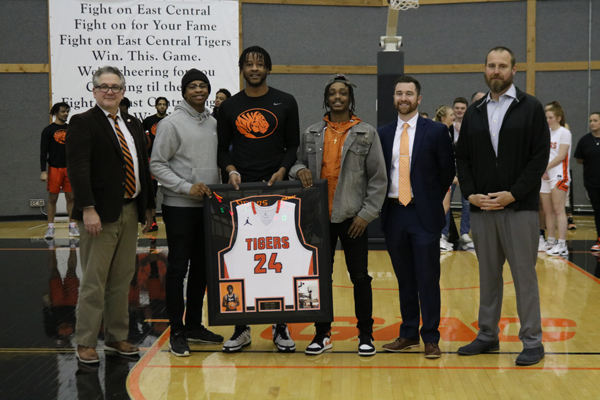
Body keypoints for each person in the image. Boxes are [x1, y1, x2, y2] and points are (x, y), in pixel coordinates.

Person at [455, 47, 549, 366]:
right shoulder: (474, 111)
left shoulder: (531, 107)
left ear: (513, 70)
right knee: (488, 276)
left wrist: (514, 193)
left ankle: (532, 341)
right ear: (485, 69)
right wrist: (470, 194)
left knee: (524, 277)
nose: (496, 71)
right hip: (482, 209)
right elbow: (463, 158)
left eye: (502, 66)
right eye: (491, 65)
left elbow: (539, 157)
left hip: (519, 209)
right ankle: (487, 335)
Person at [290, 74, 387, 356]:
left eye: (342, 93)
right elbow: (296, 162)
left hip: (353, 219)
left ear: (350, 98)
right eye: (332, 93)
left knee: (360, 277)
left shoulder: (366, 133)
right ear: (326, 98)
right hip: (319, 219)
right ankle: (322, 334)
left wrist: (366, 215)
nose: (337, 97)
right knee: (321, 278)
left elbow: (378, 179)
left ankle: (365, 335)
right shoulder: (311, 133)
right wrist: (299, 170)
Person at [66, 66, 155, 364]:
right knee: (94, 281)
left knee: (122, 279)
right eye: (103, 86)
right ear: (94, 91)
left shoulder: (132, 122)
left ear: (123, 91)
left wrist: (147, 206)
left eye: (115, 87)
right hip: (99, 214)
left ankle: (117, 337)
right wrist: (87, 208)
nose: (109, 91)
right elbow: (78, 169)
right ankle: (86, 341)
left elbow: (141, 165)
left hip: (129, 210)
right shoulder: (83, 122)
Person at [217, 45, 299, 353]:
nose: (254, 68)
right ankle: (242, 328)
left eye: (260, 63)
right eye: (249, 64)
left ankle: (280, 325)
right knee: (241, 260)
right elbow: (222, 149)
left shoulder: (286, 101)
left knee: (278, 259)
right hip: (241, 191)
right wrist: (231, 170)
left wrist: (282, 171)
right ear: (241, 69)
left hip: (278, 190)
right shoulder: (229, 106)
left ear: (268, 69)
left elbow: (293, 145)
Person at [378, 75, 455, 359]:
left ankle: (431, 337)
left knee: (427, 278)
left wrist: (430, 200)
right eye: (399, 93)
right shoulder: (383, 133)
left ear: (418, 99)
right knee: (405, 279)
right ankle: (408, 333)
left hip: (423, 215)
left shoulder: (436, 131)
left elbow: (447, 171)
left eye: (409, 93)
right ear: (394, 98)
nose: (404, 98)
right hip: (394, 213)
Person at [150, 69, 224, 357]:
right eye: (192, 86)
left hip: (207, 208)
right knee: (178, 269)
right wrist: (185, 186)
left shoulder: (214, 123)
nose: (198, 90)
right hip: (179, 207)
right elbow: (157, 164)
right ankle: (176, 331)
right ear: (183, 91)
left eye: (203, 85)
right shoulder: (171, 124)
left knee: (202, 269)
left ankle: (193, 325)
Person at [40, 102, 79, 239]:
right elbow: (43, 152)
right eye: (63, 111)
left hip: (69, 168)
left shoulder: (71, 129)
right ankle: (50, 228)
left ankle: (72, 226)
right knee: (53, 199)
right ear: (55, 113)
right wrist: (43, 171)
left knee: (71, 198)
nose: (66, 114)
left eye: (67, 111)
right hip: (54, 168)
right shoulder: (48, 130)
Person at [539, 106, 571, 256]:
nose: (547, 120)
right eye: (546, 118)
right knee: (548, 211)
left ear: (558, 118)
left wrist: (544, 168)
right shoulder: (546, 133)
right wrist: (541, 170)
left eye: (550, 117)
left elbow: (561, 156)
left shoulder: (564, 132)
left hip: (559, 174)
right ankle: (551, 241)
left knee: (559, 210)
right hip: (544, 175)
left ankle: (562, 244)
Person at [143, 97, 169, 232]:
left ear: (167, 106)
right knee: (152, 191)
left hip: (168, 159)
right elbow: (140, 137)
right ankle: (152, 221)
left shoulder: (171, 120)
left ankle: (170, 217)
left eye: (164, 104)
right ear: (155, 106)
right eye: (160, 104)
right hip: (152, 159)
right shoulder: (148, 121)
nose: (162, 106)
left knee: (170, 188)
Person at [574, 112, 600, 251]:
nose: (592, 123)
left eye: (595, 120)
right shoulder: (585, 140)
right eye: (591, 120)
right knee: (598, 210)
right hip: (592, 182)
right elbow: (579, 159)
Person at [433, 105, 456, 252]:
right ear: (443, 118)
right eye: (451, 114)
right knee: (442, 207)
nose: (454, 116)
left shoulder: (447, 131)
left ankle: (440, 236)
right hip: (439, 176)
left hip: (445, 174)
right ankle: (437, 237)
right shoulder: (440, 132)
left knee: (445, 207)